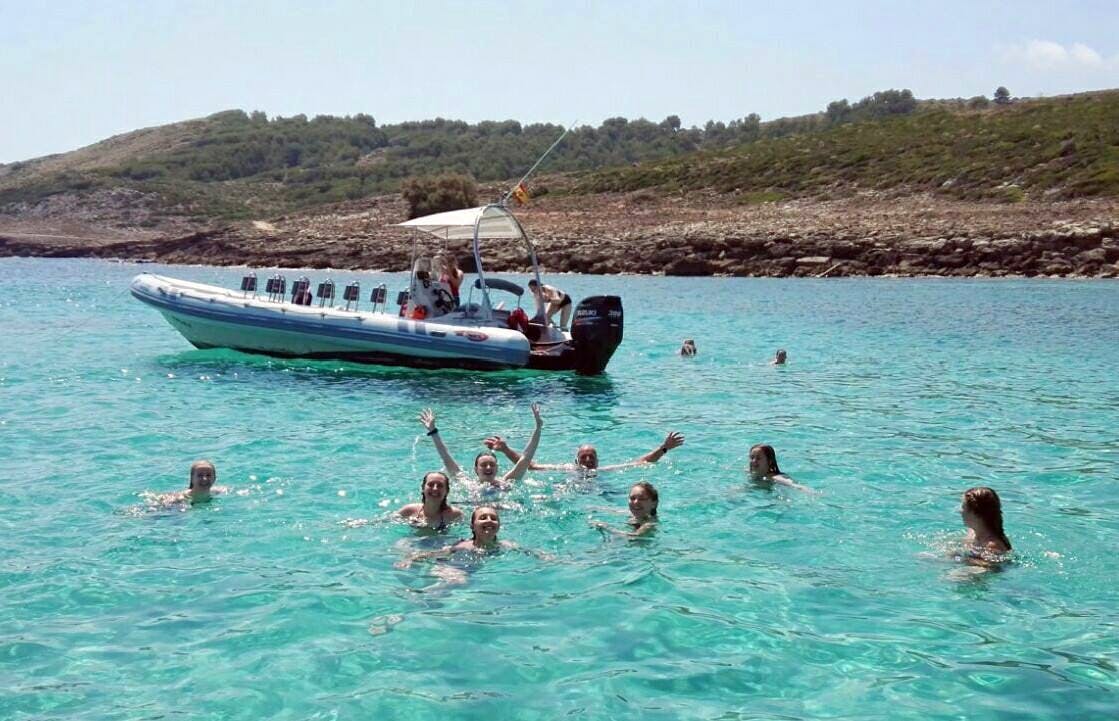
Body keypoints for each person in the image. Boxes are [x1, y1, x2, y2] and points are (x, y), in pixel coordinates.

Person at [420, 403, 543, 488]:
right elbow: (446, 457)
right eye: (484, 465)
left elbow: (526, 458)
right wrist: (433, 431)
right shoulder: (468, 485)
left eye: (492, 465)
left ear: (497, 468)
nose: (488, 467)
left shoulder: (506, 483)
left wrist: (538, 428)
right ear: (476, 470)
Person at [484, 431, 684, 473]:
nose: (588, 460)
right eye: (584, 457)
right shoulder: (567, 470)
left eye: (591, 457)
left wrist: (664, 448)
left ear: (597, 462)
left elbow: (642, 462)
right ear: (576, 460)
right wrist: (506, 449)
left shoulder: (602, 471)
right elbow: (532, 466)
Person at [395, 506, 515, 569]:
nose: (489, 520)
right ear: (472, 526)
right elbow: (436, 554)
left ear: (499, 525)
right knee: (458, 580)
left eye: (493, 518)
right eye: (483, 518)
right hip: (451, 566)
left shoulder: (506, 545)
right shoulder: (464, 546)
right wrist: (411, 559)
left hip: (471, 569)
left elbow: (527, 552)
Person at [397, 471, 464, 531]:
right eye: (431, 484)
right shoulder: (409, 511)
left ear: (447, 491)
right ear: (423, 488)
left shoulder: (455, 515)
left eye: (440, 485)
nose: (435, 489)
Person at [590, 482, 659, 538]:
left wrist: (605, 527)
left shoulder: (649, 523)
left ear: (654, 503)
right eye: (632, 498)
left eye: (642, 499)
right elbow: (616, 511)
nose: (636, 502)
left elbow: (634, 536)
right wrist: (595, 508)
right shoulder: (634, 514)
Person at [959, 487, 1012, 559]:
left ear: (976, 514)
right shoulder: (973, 532)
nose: (960, 511)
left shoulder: (993, 546)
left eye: (963, 508)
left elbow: (988, 568)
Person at [145, 460, 226, 506]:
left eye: (208, 475)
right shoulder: (181, 499)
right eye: (200, 475)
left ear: (214, 478)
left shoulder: (218, 491)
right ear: (192, 479)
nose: (204, 478)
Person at [747, 444, 812, 492]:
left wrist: (808, 491)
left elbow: (793, 485)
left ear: (769, 462)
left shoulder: (774, 478)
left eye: (758, 458)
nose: (753, 461)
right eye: (752, 457)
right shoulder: (751, 473)